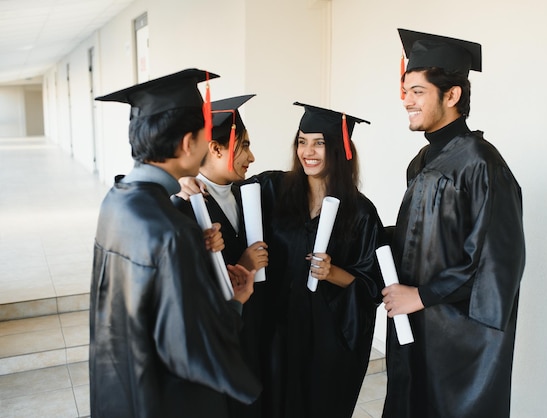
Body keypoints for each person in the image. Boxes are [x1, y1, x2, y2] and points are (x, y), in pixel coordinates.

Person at [90, 68, 261, 418]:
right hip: (167, 399)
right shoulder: (172, 231)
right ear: (187, 144)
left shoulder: (118, 201)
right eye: (202, 135)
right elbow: (192, 348)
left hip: (121, 386)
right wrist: (236, 303)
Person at [381, 30, 526, 418]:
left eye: (417, 91)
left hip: (456, 340)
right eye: (405, 90)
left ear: (451, 95)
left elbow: (496, 261)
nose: (406, 101)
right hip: (418, 327)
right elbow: (423, 240)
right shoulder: (423, 161)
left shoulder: (481, 163)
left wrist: (422, 295)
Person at [248, 102, 386, 418]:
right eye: (302, 141)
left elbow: (371, 287)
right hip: (277, 332)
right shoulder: (273, 188)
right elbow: (226, 198)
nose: (308, 151)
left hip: (325, 340)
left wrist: (332, 272)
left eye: (319, 142)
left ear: (339, 149)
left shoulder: (361, 213)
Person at [172, 94, 269, 418]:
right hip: (218, 343)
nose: (251, 156)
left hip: (252, 337)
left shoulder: (247, 193)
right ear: (215, 148)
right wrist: (243, 266)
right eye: (243, 145)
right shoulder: (185, 207)